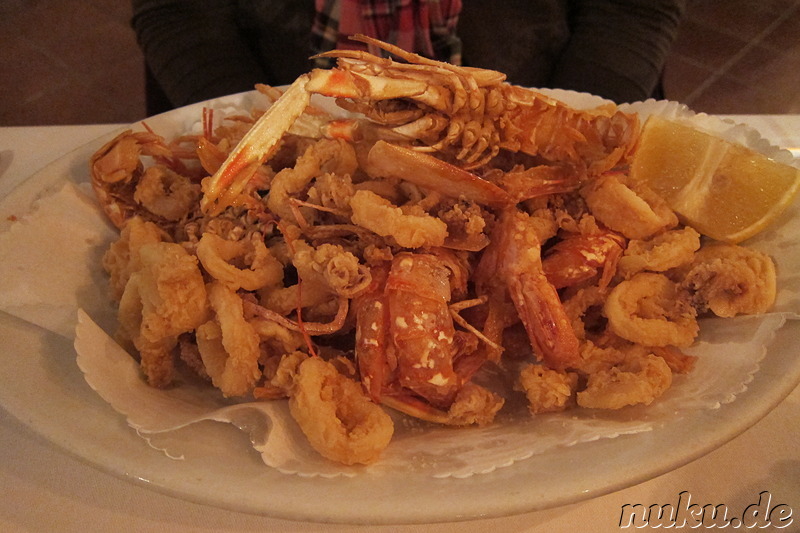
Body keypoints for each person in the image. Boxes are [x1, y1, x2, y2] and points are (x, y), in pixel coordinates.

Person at [131, 0, 687, 116]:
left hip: (532, 105)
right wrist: (250, 129)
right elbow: (178, 12)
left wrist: (563, 127)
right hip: (289, 113)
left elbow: (633, 10)